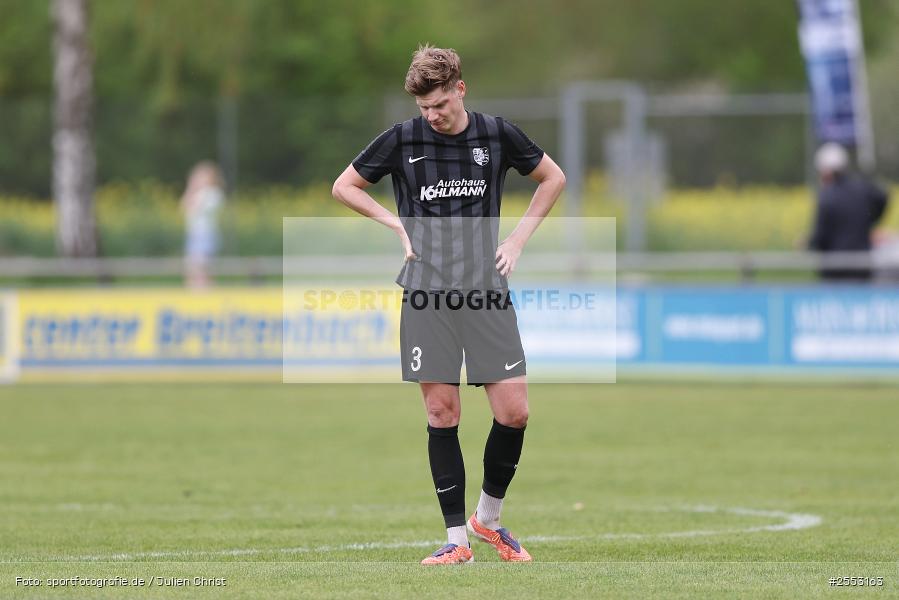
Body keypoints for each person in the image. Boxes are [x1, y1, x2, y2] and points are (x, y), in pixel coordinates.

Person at [332, 45, 565, 565]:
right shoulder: (402, 139)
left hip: (485, 290)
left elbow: (553, 178)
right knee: (443, 412)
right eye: (424, 108)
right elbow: (344, 186)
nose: (432, 115)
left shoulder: (497, 133)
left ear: (460, 88)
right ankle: (456, 540)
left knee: (515, 412)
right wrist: (395, 224)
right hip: (427, 292)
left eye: (439, 103)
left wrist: (518, 241)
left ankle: (490, 518)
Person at [807, 142, 889, 281]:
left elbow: (820, 237)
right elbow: (883, 196)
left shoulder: (827, 196)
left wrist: (808, 244)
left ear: (826, 171)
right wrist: (872, 221)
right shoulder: (862, 188)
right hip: (863, 267)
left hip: (835, 271)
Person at [181, 161, 225, 289]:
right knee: (190, 266)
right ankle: (194, 289)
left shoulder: (213, 193)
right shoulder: (197, 193)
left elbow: (196, 207)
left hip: (206, 235)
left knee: (202, 267)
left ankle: (205, 290)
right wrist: (191, 189)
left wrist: (194, 191)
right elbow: (184, 206)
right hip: (194, 234)